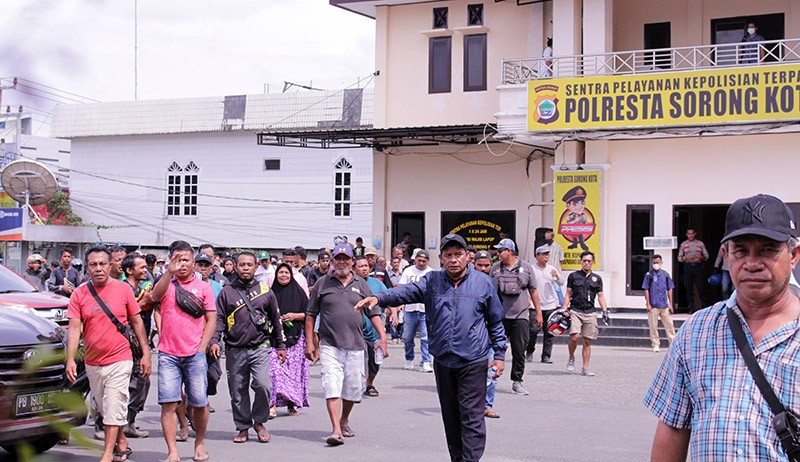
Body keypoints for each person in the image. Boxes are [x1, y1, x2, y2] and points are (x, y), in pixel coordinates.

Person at [644, 194, 800, 461]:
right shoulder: (696, 332)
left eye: (767, 250)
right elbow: (672, 429)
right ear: (726, 256)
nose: (752, 263)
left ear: (794, 255)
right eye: (741, 250)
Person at [356, 233, 507, 462]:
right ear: (441, 258)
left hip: (473, 360)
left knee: (472, 416)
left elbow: (496, 320)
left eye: (458, 254)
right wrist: (379, 298)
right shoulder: (432, 281)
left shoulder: (483, 283)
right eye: (448, 255)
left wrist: (499, 354)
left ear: (467, 256)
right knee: (451, 417)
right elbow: (404, 291)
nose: (454, 259)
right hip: (444, 361)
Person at [65, 246, 151, 462]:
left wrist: (146, 353)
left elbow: (137, 322)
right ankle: (121, 440)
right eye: (93, 265)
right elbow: (74, 328)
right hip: (93, 361)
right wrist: (70, 360)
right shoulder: (79, 293)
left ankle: (106, 453)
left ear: (111, 265)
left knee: (115, 403)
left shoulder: (123, 290)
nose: (98, 269)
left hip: (120, 358)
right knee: (105, 408)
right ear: (87, 267)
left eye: (102, 264)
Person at [304, 243, 387, 446]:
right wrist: (309, 343)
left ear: (352, 262)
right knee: (332, 385)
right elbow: (310, 315)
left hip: (356, 344)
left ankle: (344, 419)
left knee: (353, 388)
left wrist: (382, 338)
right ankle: (335, 430)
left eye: (346, 258)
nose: (342, 262)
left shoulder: (362, 284)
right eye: (338, 258)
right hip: (329, 344)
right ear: (332, 261)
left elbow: (374, 312)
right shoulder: (323, 284)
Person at [210, 252, 286, 444]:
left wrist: (281, 345)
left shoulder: (264, 290)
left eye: (249, 265)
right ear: (235, 267)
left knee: (263, 385)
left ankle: (259, 422)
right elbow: (219, 319)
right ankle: (243, 427)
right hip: (234, 349)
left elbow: (276, 319)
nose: (245, 268)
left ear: (255, 267)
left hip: (260, 347)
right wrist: (214, 340)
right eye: (242, 264)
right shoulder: (227, 291)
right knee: (237, 391)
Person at [150, 241, 216, 462]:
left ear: (193, 262)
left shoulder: (204, 287)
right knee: (169, 403)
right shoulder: (166, 283)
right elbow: (155, 297)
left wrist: (202, 347)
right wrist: (168, 273)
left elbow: (211, 319)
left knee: (199, 402)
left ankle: (200, 443)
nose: (182, 264)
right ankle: (173, 451)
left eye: (186, 259)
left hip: (194, 354)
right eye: (177, 259)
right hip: (168, 353)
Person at [490, 238, 541, 396]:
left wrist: (539, 313)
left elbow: (533, 291)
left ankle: (517, 381)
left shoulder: (526, 268)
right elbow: (491, 294)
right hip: (500, 316)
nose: (498, 254)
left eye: (500, 251)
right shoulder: (495, 269)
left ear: (510, 251)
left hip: (520, 316)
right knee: (495, 349)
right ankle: (490, 379)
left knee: (519, 351)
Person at [267, 262, 310, 418]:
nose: (283, 275)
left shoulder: (299, 293)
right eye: (280, 273)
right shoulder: (270, 294)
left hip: (296, 338)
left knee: (293, 373)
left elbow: (309, 313)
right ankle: (271, 404)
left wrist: (295, 316)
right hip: (275, 340)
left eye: (286, 273)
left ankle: (291, 404)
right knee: (274, 372)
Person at [121, 253, 155, 439]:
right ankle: (107, 424)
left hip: (140, 343)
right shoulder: (122, 289)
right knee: (125, 383)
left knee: (142, 380)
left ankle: (129, 421)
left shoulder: (141, 289)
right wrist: (142, 303)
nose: (145, 270)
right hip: (125, 343)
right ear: (129, 270)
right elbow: (122, 314)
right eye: (141, 267)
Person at [561, 250, 608, 377]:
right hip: (575, 310)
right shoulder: (573, 276)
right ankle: (571, 357)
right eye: (584, 261)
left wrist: (605, 310)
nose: (587, 263)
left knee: (587, 340)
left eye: (589, 261)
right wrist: (564, 308)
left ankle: (585, 367)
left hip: (590, 312)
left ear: (593, 263)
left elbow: (601, 296)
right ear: (581, 262)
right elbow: (568, 293)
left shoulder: (597, 278)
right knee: (574, 336)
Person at [354, 256, 390, 397]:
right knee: (356, 362)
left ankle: (369, 384)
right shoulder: (350, 285)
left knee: (375, 362)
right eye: (361, 266)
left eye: (366, 266)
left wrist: (393, 313)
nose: (365, 269)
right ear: (353, 268)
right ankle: (354, 386)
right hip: (355, 332)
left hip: (373, 331)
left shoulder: (376, 283)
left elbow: (388, 298)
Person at [473, 249, 501, 419]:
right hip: (472, 338)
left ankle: (487, 405)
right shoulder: (466, 283)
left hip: (489, 336)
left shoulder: (494, 283)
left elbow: (498, 312)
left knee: (492, 370)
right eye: (479, 265)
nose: (483, 269)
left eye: (486, 265)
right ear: (473, 265)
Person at [396, 249, 434, 372]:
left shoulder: (431, 273)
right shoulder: (408, 271)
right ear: (415, 260)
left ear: (428, 261)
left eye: (424, 261)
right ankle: (409, 358)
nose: (421, 263)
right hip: (410, 308)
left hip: (425, 310)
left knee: (425, 337)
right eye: (419, 260)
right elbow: (402, 288)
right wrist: (400, 303)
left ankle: (426, 361)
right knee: (407, 337)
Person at [527, 245, 564, 364]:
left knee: (550, 331)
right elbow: (527, 286)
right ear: (537, 256)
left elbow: (561, 282)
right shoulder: (531, 269)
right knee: (533, 330)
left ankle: (546, 356)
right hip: (534, 305)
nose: (546, 256)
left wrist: (557, 276)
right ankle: (530, 350)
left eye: (547, 254)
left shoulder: (551, 269)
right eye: (543, 254)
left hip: (550, 304)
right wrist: (528, 299)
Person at [642, 254, 676, 353]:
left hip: (664, 305)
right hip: (653, 305)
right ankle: (655, 344)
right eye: (654, 263)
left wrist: (671, 303)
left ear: (661, 263)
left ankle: (672, 344)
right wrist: (648, 303)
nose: (656, 264)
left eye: (658, 262)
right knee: (653, 326)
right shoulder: (649, 275)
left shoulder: (665, 274)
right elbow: (646, 290)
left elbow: (670, 289)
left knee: (669, 325)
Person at [678, 228, 709, 312]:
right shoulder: (683, 245)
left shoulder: (700, 244)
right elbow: (679, 258)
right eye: (689, 234)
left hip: (698, 266)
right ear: (686, 235)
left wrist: (701, 257)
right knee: (688, 288)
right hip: (687, 267)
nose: (690, 235)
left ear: (695, 234)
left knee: (701, 287)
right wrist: (685, 258)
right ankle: (690, 307)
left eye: (692, 234)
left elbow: (706, 255)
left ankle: (704, 306)